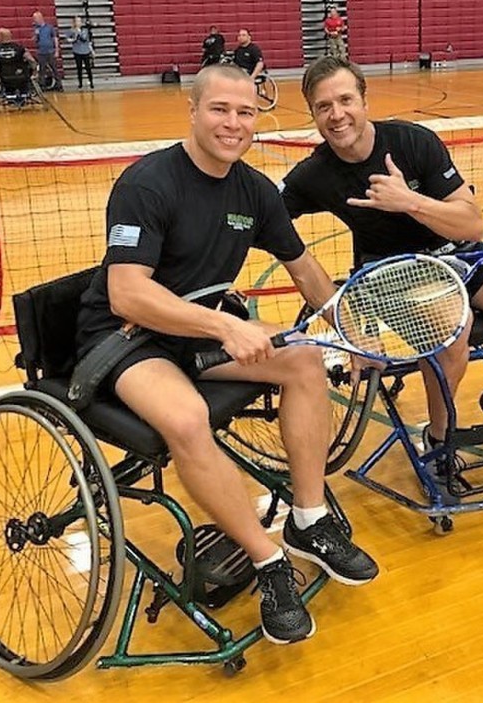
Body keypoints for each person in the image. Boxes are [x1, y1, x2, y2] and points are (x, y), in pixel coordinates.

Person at [75, 64, 378, 646]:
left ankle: (309, 520)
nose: (232, 123)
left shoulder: (254, 191)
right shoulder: (148, 184)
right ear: (192, 111)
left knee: (306, 362)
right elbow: (128, 293)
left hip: (196, 334)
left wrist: (349, 329)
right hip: (127, 339)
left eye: (245, 113)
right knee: (187, 418)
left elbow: (304, 266)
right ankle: (268, 562)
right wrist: (223, 325)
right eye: (219, 109)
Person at [280, 57, 483, 476]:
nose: (337, 115)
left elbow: (471, 223)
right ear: (313, 115)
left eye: (345, 100)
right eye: (324, 107)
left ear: (364, 100)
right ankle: (440, 435)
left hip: (458, 253)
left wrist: (408, 201)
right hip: (390, 272)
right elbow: (268, 216)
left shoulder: (414, 143)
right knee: (452, 331)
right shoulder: (314, 174)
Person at [0, 28, 37, 96]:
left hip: (5, 78)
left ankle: (10, 94)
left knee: (8, 84)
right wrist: (34, 71)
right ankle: (23, 94)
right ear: (10, 36)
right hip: (21, 76)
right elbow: (31, 60)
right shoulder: (19, 48)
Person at [32, 10, 63, 91]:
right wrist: (36, 35)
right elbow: (35, 40)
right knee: (42, 70)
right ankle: (42, 85)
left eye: (35, 18)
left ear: (40, 18)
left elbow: (55, 39)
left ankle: (59, 84)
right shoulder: (36, 29)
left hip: (50, 51)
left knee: (54, 68)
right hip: (41, 52)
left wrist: (57, 50)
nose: (34, 20)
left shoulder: (49, 27)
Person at [66, 16, 94, 89]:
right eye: (77, 21)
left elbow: (88, 41)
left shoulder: (85, 30)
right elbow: (67, 39)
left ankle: (91, 82)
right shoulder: (71, 31)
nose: (79, 23)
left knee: (88, 67)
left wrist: (92, 51)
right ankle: (80, 83)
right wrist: (73, 39)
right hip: (77, 51)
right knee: (79, 68)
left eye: (80, 21)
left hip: (85, 50)